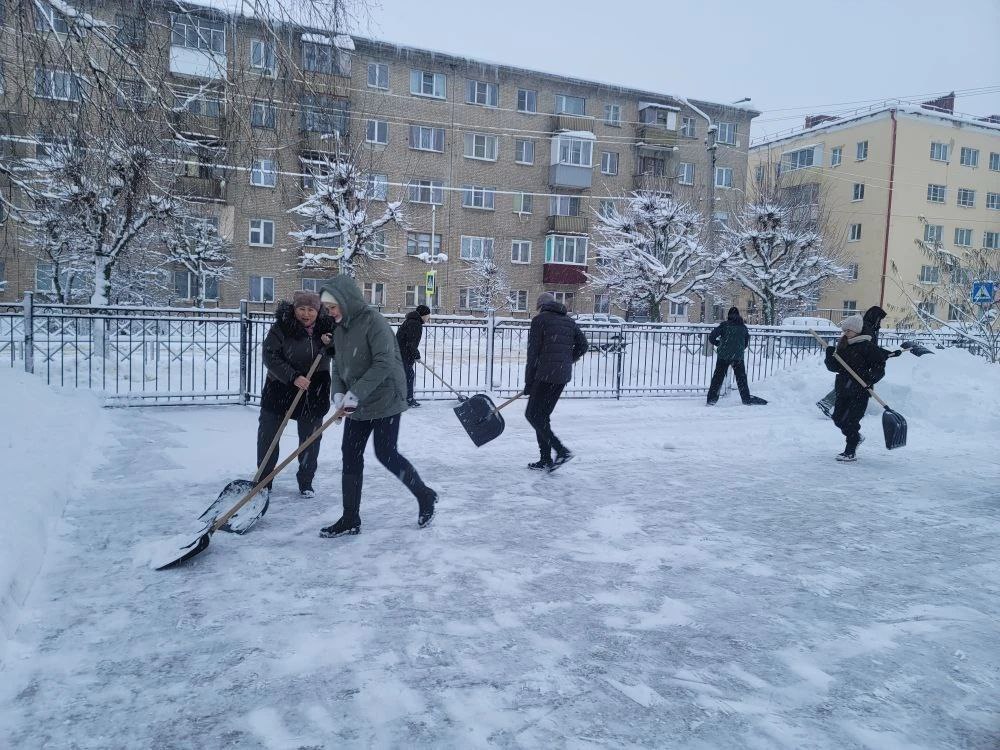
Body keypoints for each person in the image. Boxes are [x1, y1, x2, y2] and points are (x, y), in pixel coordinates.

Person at [317, 276, 437, 537]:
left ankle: (425, 495)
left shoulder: (374, 322)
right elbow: (338, 365)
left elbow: (384, 363)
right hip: (357, 402)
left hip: (386, 399)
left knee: (386, 453)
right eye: (327, 308)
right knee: (350, 454)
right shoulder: (340, 330)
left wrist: (355, 394)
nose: (330, 312)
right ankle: (350, 517)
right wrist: (338, 395)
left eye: (333, 306)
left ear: (346, 301)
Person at [257, 290, 335, 498]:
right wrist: (292, 376)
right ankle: (264, 481)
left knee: (310, 439)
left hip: (314, 388)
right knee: (268, 435)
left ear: (318, 311)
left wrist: (332, 343)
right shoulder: (282, 327)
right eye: (301, 309)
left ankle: (306, 481)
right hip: (280, 386)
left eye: (311, 309)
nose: (306, 314)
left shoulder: (328, 328)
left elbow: (342, 351)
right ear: (294, 309)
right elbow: (269, 355)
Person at [824, 313, 902, 462]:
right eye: (844, 330)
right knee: (838, 418)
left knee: (851, 421)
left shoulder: (867, 347)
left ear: (857, 330)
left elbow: (879, 367)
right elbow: (834, 367)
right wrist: (829, 356)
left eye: (849, 330)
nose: (845, 333)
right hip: (842, 389)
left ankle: (850, 450)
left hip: (860, 391)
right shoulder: (843, 345)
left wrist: (869, 378)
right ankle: (856, 438)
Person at [523, 292, 588, 471]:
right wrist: (566, 360)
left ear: (541, 306)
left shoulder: (539, 321)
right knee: (541, 417)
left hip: (544, 376)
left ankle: (561, 450)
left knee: (532, 415)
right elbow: (584, 346)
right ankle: (545, 459)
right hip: (561, 377)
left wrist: (529, 382)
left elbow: (533, 354)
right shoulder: (569, 321)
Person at [817, 306, 887, 417]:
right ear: (875, 317)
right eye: (879, 319)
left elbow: (872, 349)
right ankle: (831, 404)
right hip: (856, 364)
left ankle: (837, 407)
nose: (880, 322)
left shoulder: (867, 327)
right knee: (850, 384)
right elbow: (868, 347)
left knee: (851, 385)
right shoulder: (866, 327)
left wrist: (885, 354)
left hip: (858, 366)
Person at [706, 306, 753, 405]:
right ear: (738, 315)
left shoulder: (724, 326)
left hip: (723, 356)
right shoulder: (743, 327)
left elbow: (711, 337)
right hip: (738, 357)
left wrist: (719, 344)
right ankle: (746, 399)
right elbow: (745, 343)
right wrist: (737, 349)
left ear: (728, 316)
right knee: (741, 379)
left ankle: (711, 400)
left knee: (717, 378)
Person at [395, 304, 431, 407]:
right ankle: (408, 399)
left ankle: (402, 398)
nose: (428, 318)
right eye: (428, 315)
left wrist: (414, 354)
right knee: (408, 376)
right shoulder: (415, 324)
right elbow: (411, 343)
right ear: (423, 315)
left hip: (400, 353)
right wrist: (416, 355)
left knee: (405, 376)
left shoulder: (411, 321)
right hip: (403, 354)